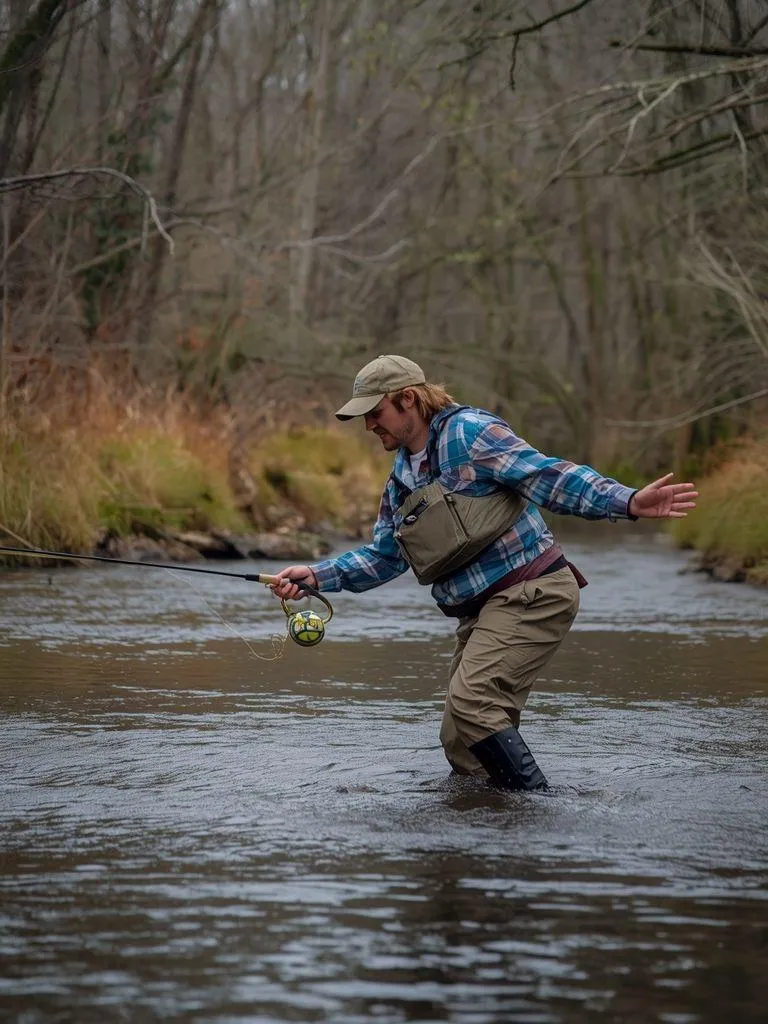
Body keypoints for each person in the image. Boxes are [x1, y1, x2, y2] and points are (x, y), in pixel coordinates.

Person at [271, 355, 698, 792]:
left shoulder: (470, 433)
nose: (368, 426)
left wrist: (626, 501)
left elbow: (548, 477)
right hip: (481, 612)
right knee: (460, 739)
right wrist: (317, 576)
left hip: (533, 592)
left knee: (474, 702)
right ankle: (498, 823)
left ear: (409, 399)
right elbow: (386, 557)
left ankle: (543, 807)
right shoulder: (401, 479)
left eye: (375, 413)